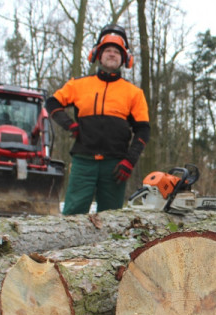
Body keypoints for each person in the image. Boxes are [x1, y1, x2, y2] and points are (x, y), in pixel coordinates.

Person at [46, 24, 150, 215]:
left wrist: (130, 160)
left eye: (117, 52)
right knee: (73, 213)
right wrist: (70, 125)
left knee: (111, 217)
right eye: (108, 50)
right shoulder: (79, 85)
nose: (112, 54)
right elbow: (52, 103)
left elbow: (143, 130)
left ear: (124, 59)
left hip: (115, 164)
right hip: (83, 160)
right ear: (97, 55)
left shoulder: (133, 93)